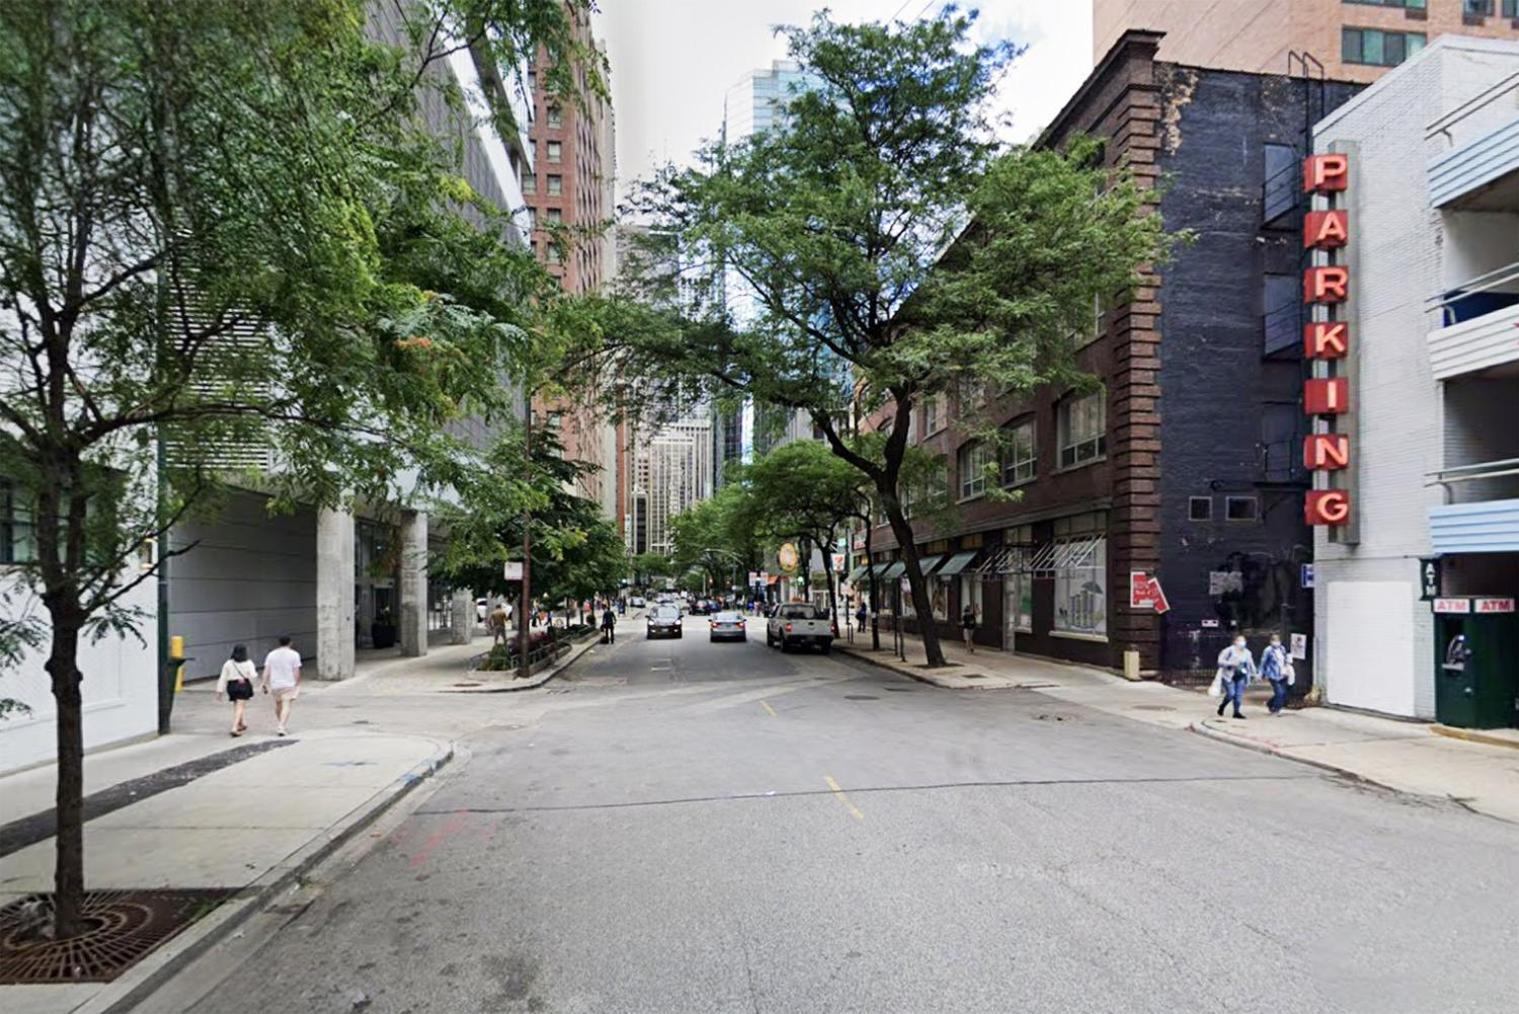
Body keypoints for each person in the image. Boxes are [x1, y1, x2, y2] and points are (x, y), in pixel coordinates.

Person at [261, 635, 302, 737]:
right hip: (288, 683)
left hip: (275, 684)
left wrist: (264, 682)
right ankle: (281, 726)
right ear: (290, 643)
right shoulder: (294, 654)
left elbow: (267, 670)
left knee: (278, 704)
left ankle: (281, 723)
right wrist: (297, 682)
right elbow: (296, 671)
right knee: (286, 704)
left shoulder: (271, 654)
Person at [216, 644, 257, 737]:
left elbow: (223, 677)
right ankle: (234, 727)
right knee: (240, 706)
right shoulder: (248, 663)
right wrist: (248, 679)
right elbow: (253, 675)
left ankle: (241, 723)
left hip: (232, 686)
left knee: (237, 704)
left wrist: (219, 691)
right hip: (243, 685)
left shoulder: (228, 663)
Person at [1214, 635, 1256, 720]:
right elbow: (1220, 661)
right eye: (1240, 641)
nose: (1242, 643)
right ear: (1235, 642)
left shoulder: (1247, 652)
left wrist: (1254, 673)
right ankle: (1222, 706)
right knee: (1231, 694)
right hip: (1229, 675)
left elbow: (1250, 664)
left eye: (1243, 641)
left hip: (1241, 675)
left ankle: (1236, 712)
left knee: (1238, 695)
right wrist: (1231, 663)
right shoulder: (1228, 650)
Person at [1260, 633, 1292, 716]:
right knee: (1279, 692)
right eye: (1274, 640)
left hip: (1283, 673)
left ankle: (1270, 703)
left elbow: (1285, 660)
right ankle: (1276, 709)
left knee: (1283, 693)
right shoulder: (1268, 650)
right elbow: (1263, 662)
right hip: (1273, 675)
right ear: (1270, 641)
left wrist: (1288, 669)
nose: (1276, 642)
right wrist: (1261, 674)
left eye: (1277, 640)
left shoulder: (1282, 649)